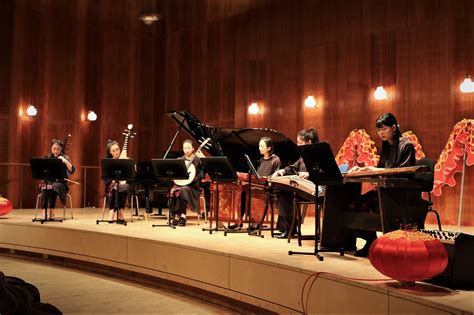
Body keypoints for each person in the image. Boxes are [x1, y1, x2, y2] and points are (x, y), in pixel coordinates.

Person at [348, 113, 416, 257]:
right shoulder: (386, 147)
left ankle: (386, 245)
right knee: (352, 207)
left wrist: (375, 170)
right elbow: (380, 171)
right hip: (384, 190)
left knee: (363, 206)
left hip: (399, 193)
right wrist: (362, 170)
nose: (381, 133)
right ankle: (371, 241)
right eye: (379, 130)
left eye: (384, 129)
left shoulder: (407, 145)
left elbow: (404, 172)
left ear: (393, 127)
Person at [272, 128, 321, 239]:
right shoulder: (303, 155)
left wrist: (309, 173)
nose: (298, 145)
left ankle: (290, 228)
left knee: (283, 195)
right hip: (301, 188)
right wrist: (283, 170)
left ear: (309, 142)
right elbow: (294, 167)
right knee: (282, 193)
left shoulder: (319, 154)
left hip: (314, 188)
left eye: (300, 143)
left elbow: (323, 170)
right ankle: (289, 227)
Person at [229, 137, 281, 229]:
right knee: (242, 192)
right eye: (259, 146)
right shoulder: (261, 160)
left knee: (252, 192)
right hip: (258, 184)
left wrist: (266, 178)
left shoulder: (275, 159)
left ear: (268, 148)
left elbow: (276, 176)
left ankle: (256, 220)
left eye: (262, 146)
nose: (259, 148)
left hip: (267, 186)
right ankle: (239, 221)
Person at [169, 139, 204, 227]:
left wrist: (202, 157)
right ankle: (176, 216)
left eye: (189, 148)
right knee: (174, 190)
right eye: (185, 148)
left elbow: (205, 168)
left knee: (183, 190)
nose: (187, 150)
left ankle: (183, 216)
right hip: (180, 184)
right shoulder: (180, 159)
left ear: (193, 149)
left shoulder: (197, 159)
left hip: (193, 187)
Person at [40, 139, 75, 219]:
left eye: (58, 149)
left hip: (61, 183)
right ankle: (43, 211)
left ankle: (51, 209)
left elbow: (72, 170)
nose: (56, 151)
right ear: (51, 149)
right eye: (54, 149)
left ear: (61, 149)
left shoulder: (65, 157)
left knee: (54, 186)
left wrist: (65, 161)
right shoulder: (48, 157)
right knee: (45, 187)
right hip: (49, 181)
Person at [104, 140, 129, 223]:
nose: (116, 152)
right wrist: (112, 181)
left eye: (117, 149)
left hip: (124, 184)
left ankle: (114, 211)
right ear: (110, 152)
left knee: (123, 187)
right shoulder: (107, 162)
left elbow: (130, 175)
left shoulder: (125, 160)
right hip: (111, 185)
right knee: (116, 188)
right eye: (114, 151)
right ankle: (118, 211)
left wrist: (132, 166)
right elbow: (106, 178)